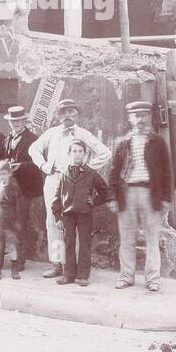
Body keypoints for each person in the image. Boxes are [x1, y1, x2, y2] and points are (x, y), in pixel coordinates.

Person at [28, 98, 111, 279]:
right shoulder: (51, 133)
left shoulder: (83, 134)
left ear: (77, 114)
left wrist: (86, 169)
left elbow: (105, 152)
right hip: (54, 178)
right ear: (58, 115)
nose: (67, 115)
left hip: (76, 182)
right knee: (54, 221)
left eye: (71, 112)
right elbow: (33, 149)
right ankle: (57, 263)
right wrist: (44, 166)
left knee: (75, 223)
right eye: (63, 112)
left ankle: (76, 268)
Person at [110, 100, 174, 293]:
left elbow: (167, 172)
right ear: (130, 119)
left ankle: (153, 279)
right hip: (127, 194)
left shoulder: (158, 143)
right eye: (136, 116)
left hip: (150, 194)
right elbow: (114, 171)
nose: (141, 120)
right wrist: (113, 197)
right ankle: (126, 276)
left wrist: (165, 199)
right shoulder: (123, 143)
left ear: (150, 117)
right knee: (127, 238)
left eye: (144, 116)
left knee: (152, 238)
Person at [49, 139, 109, 287]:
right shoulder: (64, 174)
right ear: (69, 153)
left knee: (84, 244)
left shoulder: (91, 173)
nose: (77, 154)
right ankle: (68, 274)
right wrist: (57, 216)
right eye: (74, 151)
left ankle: (83, 275)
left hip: (84, 214)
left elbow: (105, 192)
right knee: (68, 243)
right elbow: (57, 197)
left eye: (80, 151)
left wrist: (93, 200)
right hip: (67, 215)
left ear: (85, 154)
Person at [1, 105, 45, 262]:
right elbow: (1, 158)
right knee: (8, 221)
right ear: (9, 123)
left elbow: (40, 164)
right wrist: (4, 163)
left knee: (20, 222)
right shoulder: (7, 139)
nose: (16, 124)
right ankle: (9, 254)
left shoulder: (33, 139)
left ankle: (20, 259)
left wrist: (22, 166)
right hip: (8, 188)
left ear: (24, 120)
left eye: (19, 121)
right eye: (13, 121)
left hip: (25, 188)